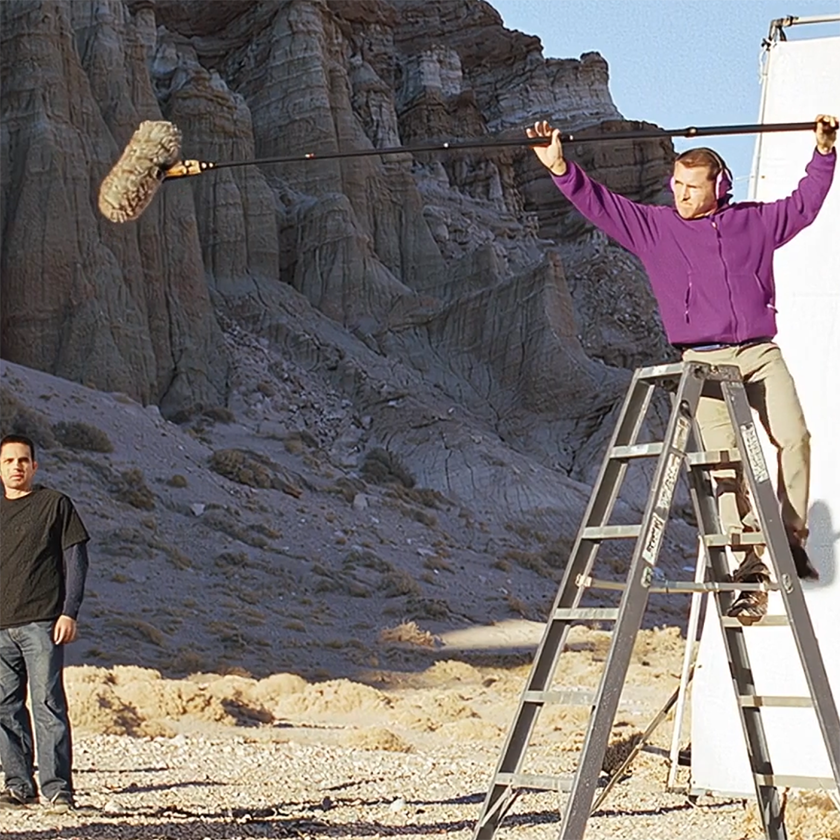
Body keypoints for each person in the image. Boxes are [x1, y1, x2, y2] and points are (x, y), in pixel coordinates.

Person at [527, 114, 838, 619]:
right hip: (704, 362)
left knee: (796, 438)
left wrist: (824, 152)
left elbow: (805, 203)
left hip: (759, 352)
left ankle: (790, 540)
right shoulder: (656, 228)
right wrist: (560, 167)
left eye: (693, 187)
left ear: (721, 187)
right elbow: (600, 205)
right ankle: (750, 566)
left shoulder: (754, 222)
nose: (682, 195)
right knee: (727, 462)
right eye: (676, 185)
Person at [0, 434, 90, 813]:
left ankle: (57, 791)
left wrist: (70, 611)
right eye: (8, 461)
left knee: (48, 703)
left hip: (42, 622)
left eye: (23, 460)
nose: (16, 467)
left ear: (34, 466)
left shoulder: (55, 504)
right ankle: (18, 786)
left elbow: (77, 560)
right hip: (0, 626)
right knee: (4, 708)